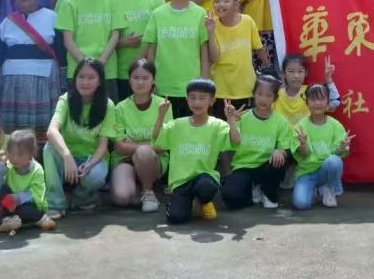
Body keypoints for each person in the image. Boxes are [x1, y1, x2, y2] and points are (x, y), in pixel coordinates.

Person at [153, 78, 242, 223]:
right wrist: (161, 116)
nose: (197, 102)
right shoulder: (177, 125)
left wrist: (231, 120)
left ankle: (203, 202)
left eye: (202, 98)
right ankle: (185, 203)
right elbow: (156, 138)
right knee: (176, 218)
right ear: (187, 100)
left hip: (204, 178)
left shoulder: (217, 125)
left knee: (206, 186)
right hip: (180, 182)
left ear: (211, 101)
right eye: (193, 98)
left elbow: (236, 141)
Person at [43, 58, 116, 218]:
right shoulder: (65, 99)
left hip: (92, 158)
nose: (85, 82)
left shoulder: (108, 105)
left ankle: (81, 198)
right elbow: (51, 131)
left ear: (99, 81)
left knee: (95, 177)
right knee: (49, 149)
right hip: (67, 156)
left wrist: (90, 164)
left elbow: (103, 146)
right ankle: (55, 203)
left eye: (91, 77)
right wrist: (67, 156)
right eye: (81, 76)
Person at [141, 0, 214, 117]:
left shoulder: (200, 14)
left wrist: (204, 82)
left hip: (192, 87)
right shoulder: (158, 14)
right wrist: (151, 81)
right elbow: (151, 52)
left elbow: (204, 53)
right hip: (163, 85)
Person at [221, 73, 294, 210]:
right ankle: (253, 188)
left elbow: (286, 148)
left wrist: (280, 151)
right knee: (230, 197)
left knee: (280, 160)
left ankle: (268, 193)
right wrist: (231, 121)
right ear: (254, 94)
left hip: (266, 166)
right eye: (260, 94)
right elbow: (234, 142)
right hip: (244, 166)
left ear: (275, 98)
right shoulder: (242, 117)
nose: (263, 99)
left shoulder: (280, 121)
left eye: (268, 95)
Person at [0, 0, 59, 135]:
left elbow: (60, 50)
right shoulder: (7, 21)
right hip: (12, 83)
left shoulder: (52, 17)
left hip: (43, 79)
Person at [108, 59, 168, 213]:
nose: (140, 82)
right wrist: (149, 142)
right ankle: (137, 187)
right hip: (125, 160)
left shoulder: (164, 105)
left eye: (145, 78)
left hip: (152, 159)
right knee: (121, 198)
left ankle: (148, 191)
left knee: (144, 152)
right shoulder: (120, 108)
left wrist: (132, 143)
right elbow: (119, 147)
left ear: (153, 80)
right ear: (129, 80)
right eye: (135, 78)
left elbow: (164, 144)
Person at [55, 0, 122, 79]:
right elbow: (68, 40)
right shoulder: (69, 2)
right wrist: (85, 65)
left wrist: (101, 62)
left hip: (107, 70)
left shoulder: (114, 0)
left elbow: (115, 36)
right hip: (78, 70)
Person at [110, 0, 165, 100]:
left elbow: (162, 35)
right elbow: (102, 38)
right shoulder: (111, 0)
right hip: (121, 71)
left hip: (150, 70)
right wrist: (122, 42)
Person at [291, 83, 351, 210]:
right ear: (306, 102)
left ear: (328, 101)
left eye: (321, 99)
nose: (317, 103)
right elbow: (304, 155)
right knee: (301, 204)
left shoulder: (335, 126)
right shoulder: (300, 126)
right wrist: (303, 145)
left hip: (325, 171)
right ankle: (313, 189)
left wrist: (342, 147)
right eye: (313, 99)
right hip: (306, 173)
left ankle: (329, 188)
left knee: (334, 161)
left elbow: (336, 154)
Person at [210, 0, 267, 111]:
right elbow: (214, 58)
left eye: (226, 1)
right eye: (217, 1)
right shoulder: (211, 24)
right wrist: (210, 31)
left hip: (246, 88)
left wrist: (268, 68)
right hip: (221, 90)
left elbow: (259, 48)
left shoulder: (248, 21)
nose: (220, 4)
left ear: (236, 5)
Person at [0, 129, 53, 234]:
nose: (14, 158)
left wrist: (17, 198)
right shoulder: (8, 166)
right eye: (11, 153)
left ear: (31, 154)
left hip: (29, 204)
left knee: (26, 210)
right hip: (10, 205)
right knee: (0, 193)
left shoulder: (37, 170)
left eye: (20, 154)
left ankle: (41, 219)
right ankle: (8, 221)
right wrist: (1, 165)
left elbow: (36, 194)